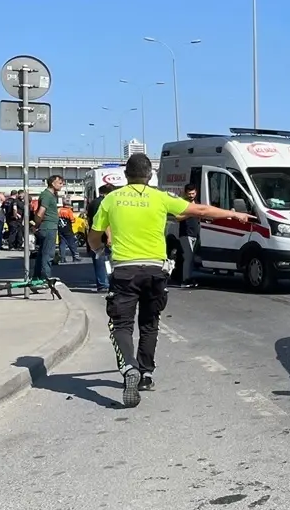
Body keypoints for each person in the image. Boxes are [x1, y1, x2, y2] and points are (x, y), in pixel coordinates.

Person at [88, 153, 250, 408]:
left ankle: (128, 367)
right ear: (150, 176)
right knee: (150, 323)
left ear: (126, 176)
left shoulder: (111, 199)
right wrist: (234, 215)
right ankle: (146, 374)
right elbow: (202, 210)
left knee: (121, 325)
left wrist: (99, 249)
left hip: (124, 272)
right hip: (155, 270)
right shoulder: (160, 198)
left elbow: (94, 236)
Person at [32, 174, 64, 280]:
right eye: (60, 183)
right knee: (48, 254)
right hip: (48, 227)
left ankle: (37, 277)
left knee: (42, 253)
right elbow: (41, 212)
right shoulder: (47, 195)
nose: (62, 185)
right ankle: (45, 278)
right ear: (52, 183)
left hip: (47, 227)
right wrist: (36, 225)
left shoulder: (50, 195)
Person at [87, 183, 115, 292]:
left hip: (94, 236)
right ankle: (105, 283)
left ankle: (102, 283)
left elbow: (89, 219)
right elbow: (105, 222)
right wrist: (109, 237)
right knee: (105, 261)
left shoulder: (93, 203)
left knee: (99, 261)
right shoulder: (103, 203)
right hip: (102, 237)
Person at [176, 182, 201, 288]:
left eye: (193, 193)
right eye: (189, 194)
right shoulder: (183, 203)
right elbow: (178, 217)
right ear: (186, 193)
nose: (191, 195)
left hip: (195, 234)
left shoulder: (197, 203)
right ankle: (185, 280)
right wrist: (190, 213)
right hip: (185, 234)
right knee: (188, 257)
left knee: (192, 258)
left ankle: (189, 278)